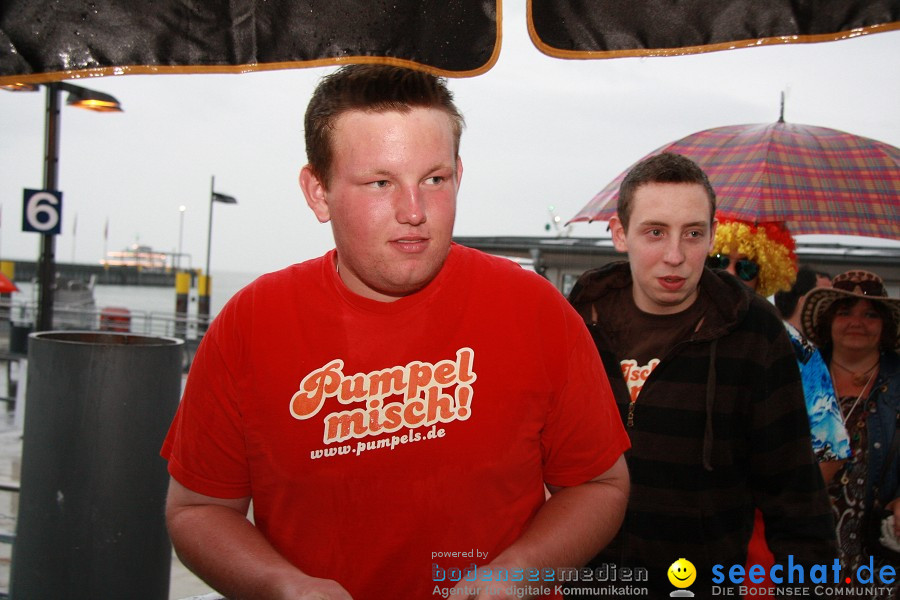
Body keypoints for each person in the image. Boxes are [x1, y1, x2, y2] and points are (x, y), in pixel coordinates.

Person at [161, 64, 630, 600]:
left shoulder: (536, 310)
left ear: (459, 173)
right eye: (380, 183)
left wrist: (521, 571)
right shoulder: (247, 325)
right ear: (318, 192)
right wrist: (280, 586)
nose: (414, 211)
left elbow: (600, 485)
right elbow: (197, 509)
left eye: (434, 179)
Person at [567, 152, 837, 598]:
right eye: (655, 232)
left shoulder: (755, 332)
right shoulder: (574, 323)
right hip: (584, 582)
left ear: (712, 234)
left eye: (693, 234)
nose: (675, 256)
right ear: (620, 233)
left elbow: (794, 494)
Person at [802, 270, 900, 591]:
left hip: (879, 546)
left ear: (884, 325)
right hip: (804, 538)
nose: (857, 322)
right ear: (829, 321)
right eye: (845, 312)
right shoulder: (799, 375)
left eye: (870, 314)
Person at [774, 265, 851, 480]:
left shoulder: (801, 351)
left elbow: (831, 450)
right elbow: (833, 449)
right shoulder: (805, 354)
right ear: (805, 301)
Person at [706, 218, 797, 297]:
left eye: (746, 267)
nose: (731, 272)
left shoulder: (766, 317)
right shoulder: (693, 314)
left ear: (762, 279)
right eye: (720, 261)